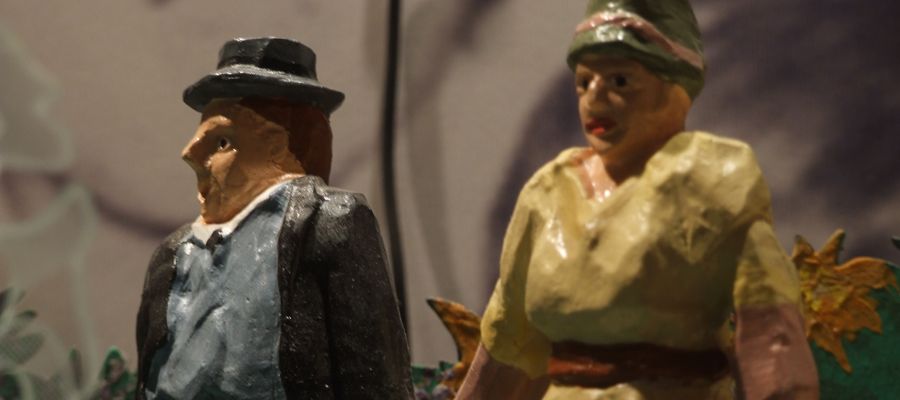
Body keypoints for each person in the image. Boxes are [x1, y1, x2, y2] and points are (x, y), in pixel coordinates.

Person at [456, 1, 819, 399]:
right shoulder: (548, 193)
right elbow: (510, 341)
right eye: (584, 81)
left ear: (675, 88)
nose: (595, 96)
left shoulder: (712, 183)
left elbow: (770, 340)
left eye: (620, 80)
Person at [135, 37, 412, 399]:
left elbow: (373, 373)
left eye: (222, 142)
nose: (190, 155)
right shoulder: (172, 255)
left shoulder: (324, 223)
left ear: (279, 148)